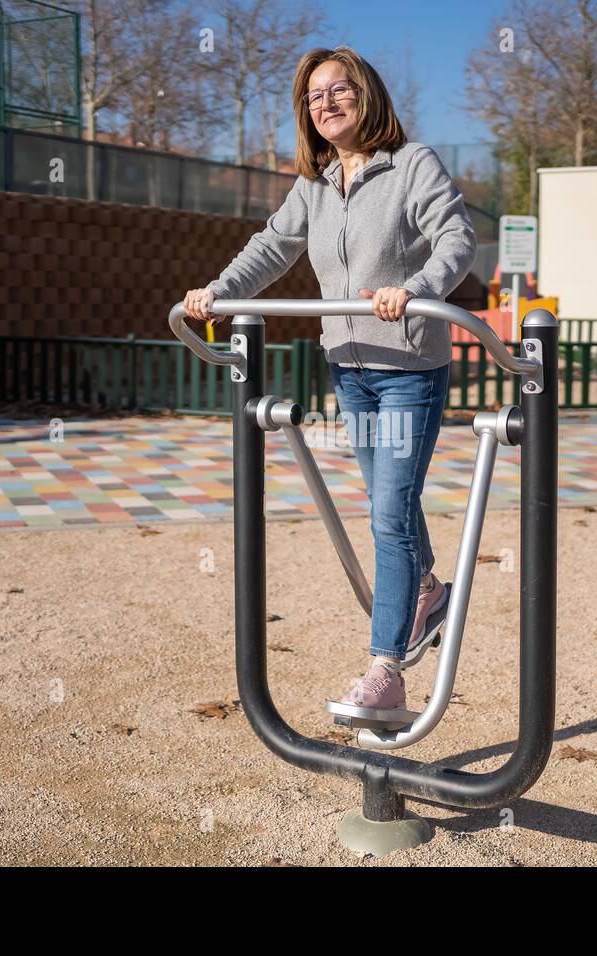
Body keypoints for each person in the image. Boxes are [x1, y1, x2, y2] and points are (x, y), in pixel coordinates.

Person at [183, 46, 476, 716]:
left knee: (386, 514)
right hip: (349, 371)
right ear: (306, 113)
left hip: (407, 370)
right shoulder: (314, 185)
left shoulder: (411, 166)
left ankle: (386, 670)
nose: (328, 102)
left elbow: (458, 237)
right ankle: (428, 591)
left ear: (367, 95)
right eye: (315, 96)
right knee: (387, 505)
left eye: (340, 89)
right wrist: (219, 293)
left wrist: (416, 287)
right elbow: (271, 247)